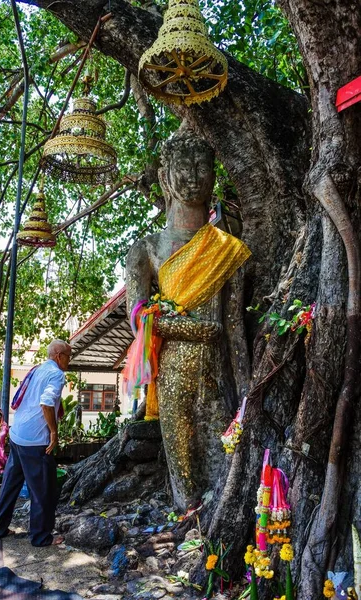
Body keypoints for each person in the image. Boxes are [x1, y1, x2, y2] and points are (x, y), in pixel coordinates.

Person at [125, 122, 251, 510]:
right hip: (173, 372)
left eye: (203, 166)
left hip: (217, 374)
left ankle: (220, 520)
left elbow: (233, 328)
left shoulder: (227, 249)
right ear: (164, 176)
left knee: (224, 458)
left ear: (215, 175)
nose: (194, 176)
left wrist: (247, 384)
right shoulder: (146, 250)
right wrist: (196, 330)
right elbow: (140, 319)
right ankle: (188, 521)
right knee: (185, 470)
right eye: (184, 165)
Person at [0, 339, 71, 546]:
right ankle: (41, 537)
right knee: (44, 490)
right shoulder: (56, 374)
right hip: (35, 441)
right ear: (59, 356)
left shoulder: (38, 369)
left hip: (18, 435)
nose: (70, 360)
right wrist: (53, 432)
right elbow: (46, 402)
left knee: (10, 485)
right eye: (69, 355)